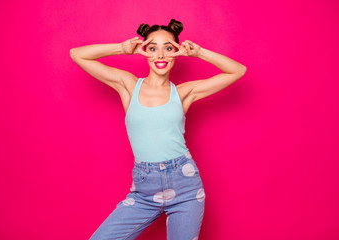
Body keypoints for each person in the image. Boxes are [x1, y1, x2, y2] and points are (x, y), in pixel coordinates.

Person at [70, 19, 246, 240]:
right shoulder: (128, 85)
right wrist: (121, 49)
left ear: (177, 52)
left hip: (185, 186)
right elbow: (77, 54)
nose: (160, 55)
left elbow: (238, 71)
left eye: (168, 48)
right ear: (144, 51)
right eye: (153, 48)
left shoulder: (183, 92)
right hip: (144, 188)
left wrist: (199, 53)